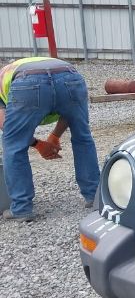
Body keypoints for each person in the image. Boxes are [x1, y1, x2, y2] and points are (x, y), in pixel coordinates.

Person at [0, 57, 100, 222]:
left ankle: (21, 208)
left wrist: (41, 143)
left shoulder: (5, 81)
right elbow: (70, 113)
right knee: (82, 137)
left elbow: (9, 129)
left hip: (28, 83)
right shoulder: (18, 67)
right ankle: (95, 196)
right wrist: (51, 138)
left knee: (13, 144)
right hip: (70, 76)